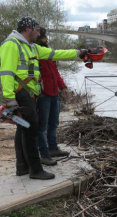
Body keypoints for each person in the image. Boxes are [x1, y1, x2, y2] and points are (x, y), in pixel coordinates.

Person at [0, 17, 88, 180]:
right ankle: (35, 170)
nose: (39, 33)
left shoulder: (32, 47)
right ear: (28, 29)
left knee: (23, 130)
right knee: (31, 131)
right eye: (37, 30)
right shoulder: (11, 45)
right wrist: (10, 101)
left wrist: (78, 53)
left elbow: (55, 54)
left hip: (29, 94)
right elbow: (6, 73)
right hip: (21, 94)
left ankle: (22, 168)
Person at [35, 27, 70, 166]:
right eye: (44, 37)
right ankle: (44, 154)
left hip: (54, 93)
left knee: (54, 123)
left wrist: (63, 87)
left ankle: (53, 148)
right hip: (43, 95)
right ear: (38, 38)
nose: (47, 39)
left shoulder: (49, 54)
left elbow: (55, 72)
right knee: (42, 126)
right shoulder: (35, 53)